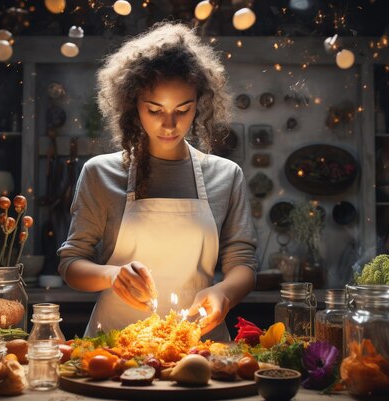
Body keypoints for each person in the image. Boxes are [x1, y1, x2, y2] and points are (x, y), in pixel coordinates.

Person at [57, 21, 258, 341]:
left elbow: (243, 264)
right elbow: (71, 264)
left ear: (199, 105)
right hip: (114, 344)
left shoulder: (226, 175)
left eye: (183, 109)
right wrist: (112, 275)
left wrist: (224, 293)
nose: (169, 124)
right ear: (133, 105)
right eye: (155, 110)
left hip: (199, 344)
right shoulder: (101, 173)